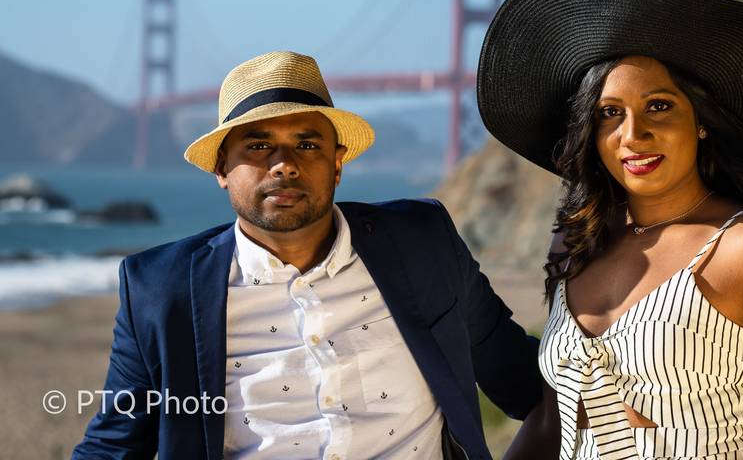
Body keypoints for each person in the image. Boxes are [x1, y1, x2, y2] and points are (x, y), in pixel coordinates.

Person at [73, 50, 542, 460]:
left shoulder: (424, 243)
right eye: (258, 145)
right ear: (221, 167)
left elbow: (529, 383)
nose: (285, 164)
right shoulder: (158, 289)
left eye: (307, 143)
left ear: (337, 161)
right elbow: (113, 447)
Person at [477, 0, 743, 459]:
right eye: (609, 113)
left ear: (700, 122)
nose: (633, 135)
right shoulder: (577, 241)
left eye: (658, 106)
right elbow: (552, 419)